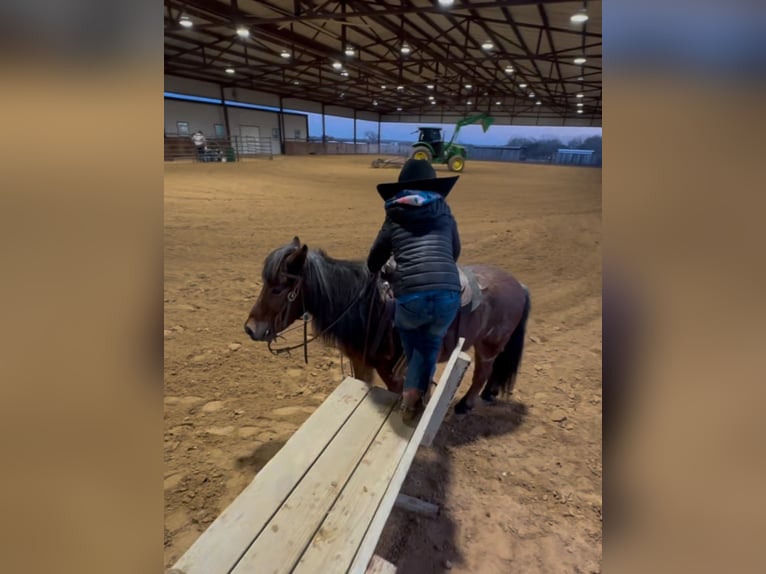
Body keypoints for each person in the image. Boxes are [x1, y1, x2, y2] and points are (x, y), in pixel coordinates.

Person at [367, 159, 462, 421]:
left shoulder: (393, 213)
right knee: (431, 344)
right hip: (448, 294)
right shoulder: (445, 211)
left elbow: (374, 260)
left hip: (411, 296)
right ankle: (421, 393)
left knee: (412, 346)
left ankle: (409, 397)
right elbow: (455, 251)